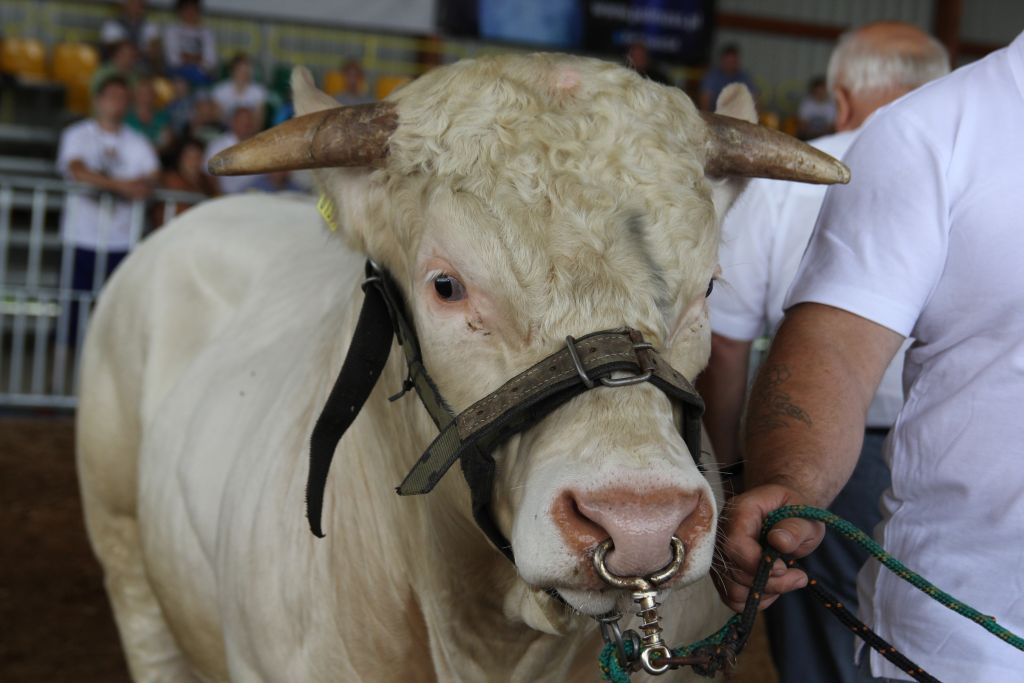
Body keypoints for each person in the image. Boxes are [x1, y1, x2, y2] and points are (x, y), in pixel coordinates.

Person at [716, 30, 1024, 683]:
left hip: (848, 465)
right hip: (974, 636)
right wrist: (786, 482)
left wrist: (727, 470)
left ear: (841, 97)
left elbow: (726, 339)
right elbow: (832, 347)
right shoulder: (932, 132)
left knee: (815, 636)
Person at [56, 75, 159, 294]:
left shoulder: (137, 141)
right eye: (112, 97)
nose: (117, 103)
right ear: (98, 100)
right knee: (74, 304)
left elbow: (151, 179)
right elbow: (77, 171)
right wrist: (123, 186)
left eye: (123, 98)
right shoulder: (77, 134)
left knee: (116, 306)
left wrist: (103, 182)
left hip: (122, 240)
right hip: (80, 237)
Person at [155, 137, 218, 226]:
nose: (193, 161)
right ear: (180, 158)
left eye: (198, 157)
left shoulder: (206, 180)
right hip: (174, 228)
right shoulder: (171, 179)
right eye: (189, 157)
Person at [203, 106, 260, 193]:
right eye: (241, 121)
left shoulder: (260, 144)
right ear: (232, 122)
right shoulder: (217, 145)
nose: (246, 125)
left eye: (249, 121)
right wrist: (218, 194)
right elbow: (208, 174)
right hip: (225, 196)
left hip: (256, 195)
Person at [163, 0, 217, 86]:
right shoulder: (172, 30)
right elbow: (173, 59)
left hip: (202, 73)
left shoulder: (207, 33)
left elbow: (211, 61)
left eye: (193, 9)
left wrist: (187, 58)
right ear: (180, 11)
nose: (190, 13)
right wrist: (197, 58)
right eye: (187, 9)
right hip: (177, 73)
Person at [211, 53, 268, 125]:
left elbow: (258, 121)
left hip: (249, 129)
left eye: (246, 70)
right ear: (232, 71)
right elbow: (217, 118)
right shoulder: (220, 91)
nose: (243, 74)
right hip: (226, 129)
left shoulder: (259, 91)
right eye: (240, 70)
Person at [100, 0, 160, 65]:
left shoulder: (150, 25)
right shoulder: (111, 25)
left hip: (142, 66)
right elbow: (113, 51)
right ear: (125, 5)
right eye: (133, 3)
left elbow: (154, 52)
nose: (136, 7)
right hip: (115, 66)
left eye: (139, 4)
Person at [124, 76, 173, 154]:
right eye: (141, 93)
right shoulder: (125, 117)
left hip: (158, 156)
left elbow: (167, 143)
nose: (145, 97)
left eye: (149, 93)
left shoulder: (162, 116)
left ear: (154, 95)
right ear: (134, 95)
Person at [699, 44, 756, 110]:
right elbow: (704, 102)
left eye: (733, 62)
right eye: (728, 62)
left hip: (738, 114)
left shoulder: (744, 77)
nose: (730, 65)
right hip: (715, 113)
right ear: (722, 61)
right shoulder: (711, 76)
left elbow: (755, 99)